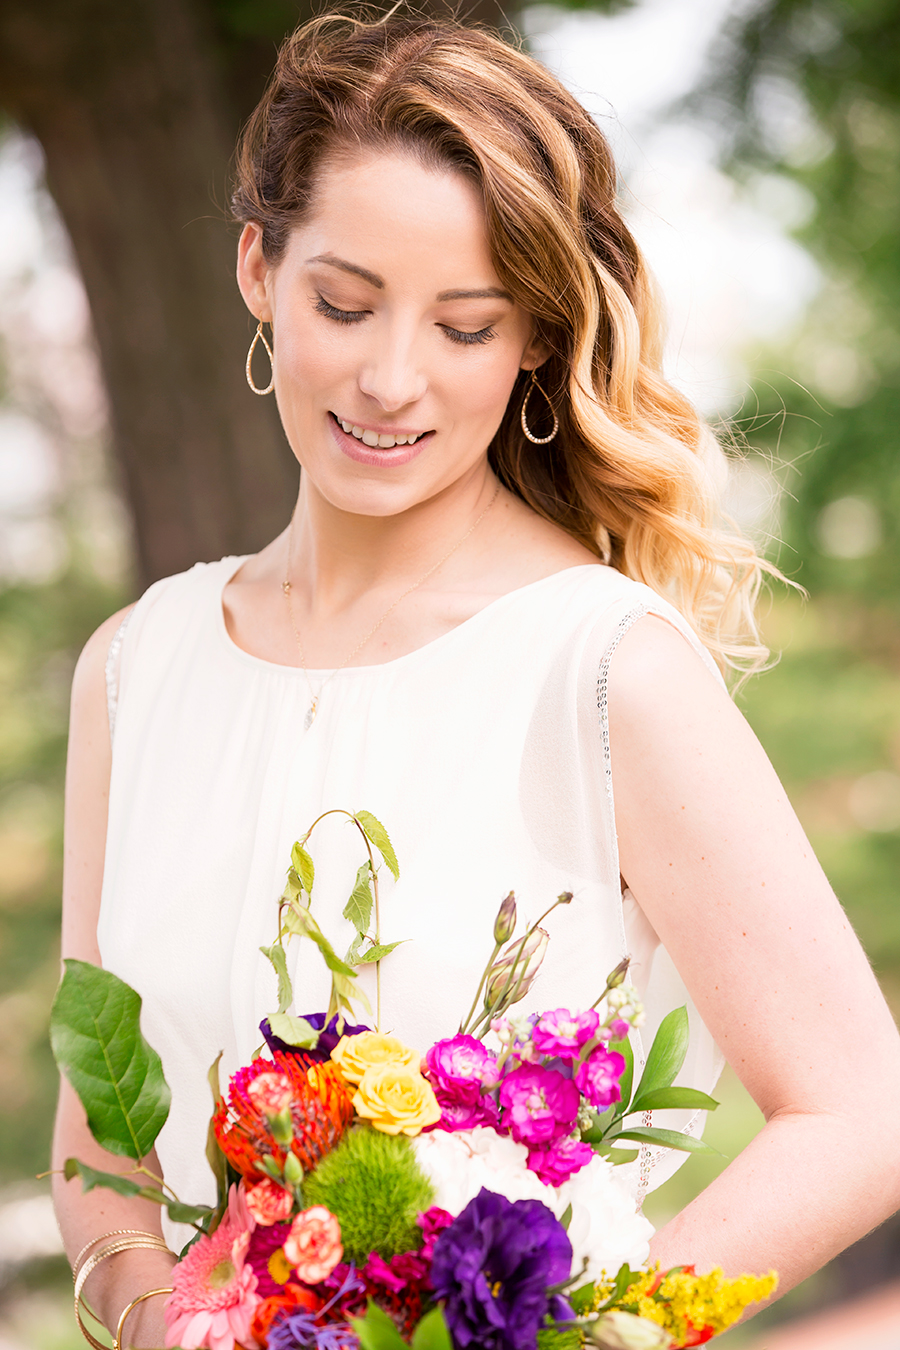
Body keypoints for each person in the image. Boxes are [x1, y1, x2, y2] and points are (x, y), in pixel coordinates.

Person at [53, 10, 900, 1347]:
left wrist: (588, 1333)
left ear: (532, 343)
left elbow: (861, 1113)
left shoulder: (606, 670)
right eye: (345, 302)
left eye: (464, 326)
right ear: (258, 270)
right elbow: (94, 1152)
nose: (391, 379)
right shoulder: (132, 672)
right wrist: (160, 1312)